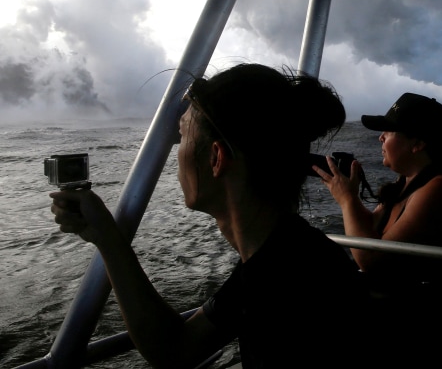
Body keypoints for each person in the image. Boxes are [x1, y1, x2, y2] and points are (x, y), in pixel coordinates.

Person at [49, 63, 374, 369]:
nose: (178, 152)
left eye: (183, 135)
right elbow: (176, 348)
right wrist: (107, 237)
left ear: (216, 158)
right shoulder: (286, 253)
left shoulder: (285, 286)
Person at [315, 92, 442, 367]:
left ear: (417, 143)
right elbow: (370, 232)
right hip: (401, 313)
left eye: (388, 131)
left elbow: (370, 259)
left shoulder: (439, 190)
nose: (380, 138)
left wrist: (346, 199)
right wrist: (351, 192)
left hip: (434, 331)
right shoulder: (406, 186)